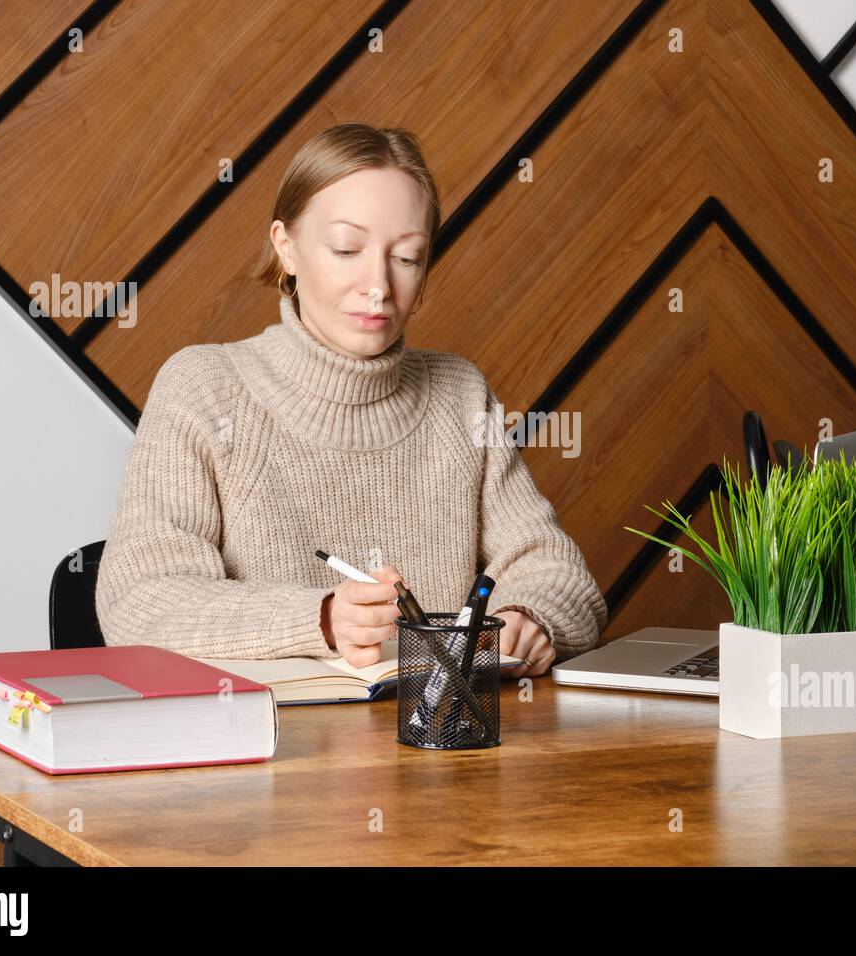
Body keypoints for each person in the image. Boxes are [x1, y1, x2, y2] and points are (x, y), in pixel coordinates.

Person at [94, 123, 607, 678]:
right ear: (285, 248)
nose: (379, 286)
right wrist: (319, 620)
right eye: (346, 249)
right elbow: (138, 603)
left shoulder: (459, 393)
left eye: (407, 258)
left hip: (438, 743)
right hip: (271, 752)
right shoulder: (203, 387)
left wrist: (527, 617)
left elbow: (555, 568)